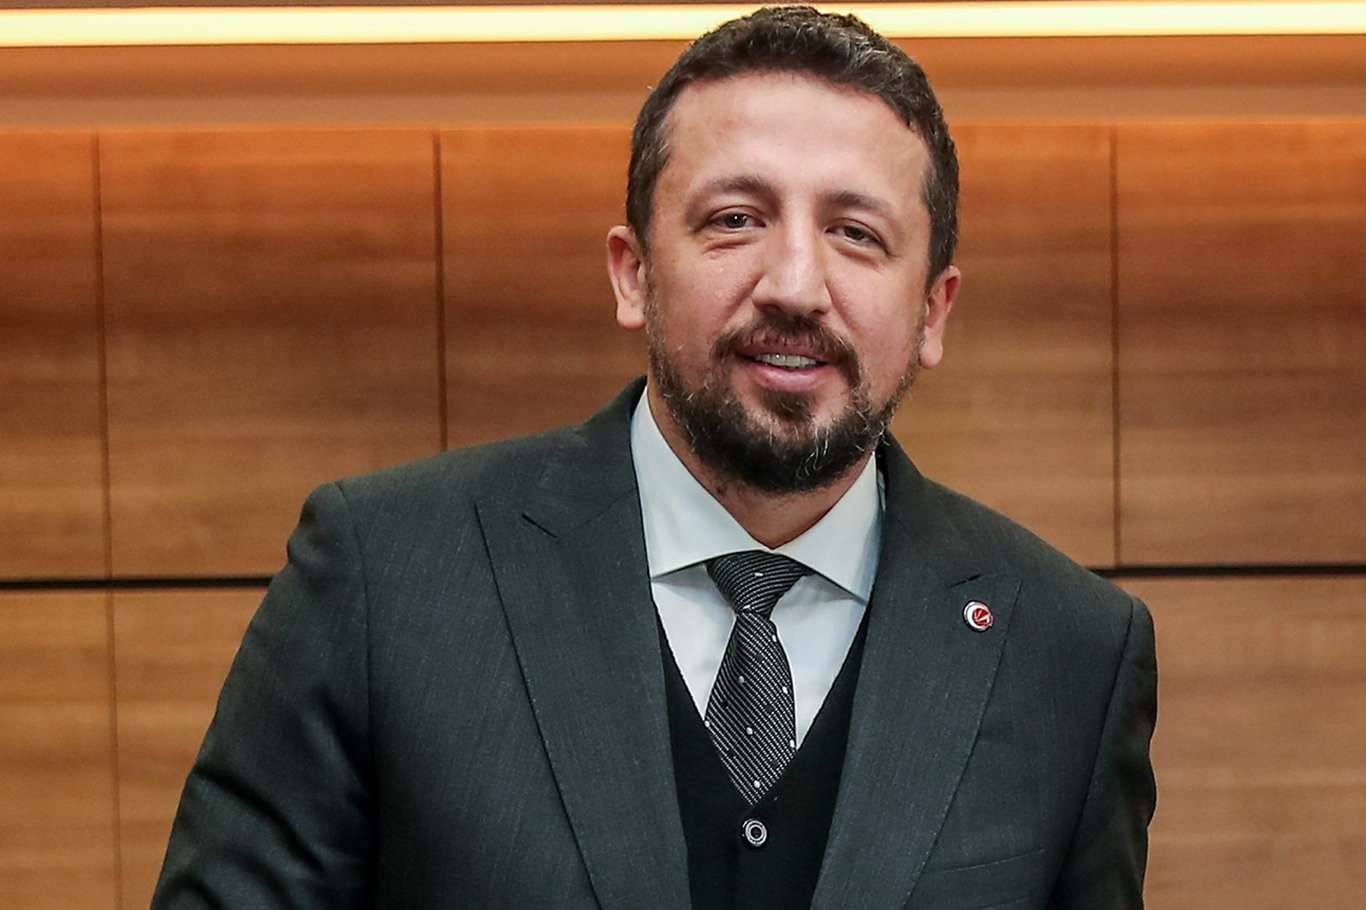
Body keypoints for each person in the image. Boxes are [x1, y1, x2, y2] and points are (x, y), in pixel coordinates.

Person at [152, 6, 1156, 908]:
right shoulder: (385, 578)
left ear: (933, 311)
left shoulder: (1068, 651)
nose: (795, 284)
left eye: (856, 233)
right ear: (633, 274)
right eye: (735, 220)